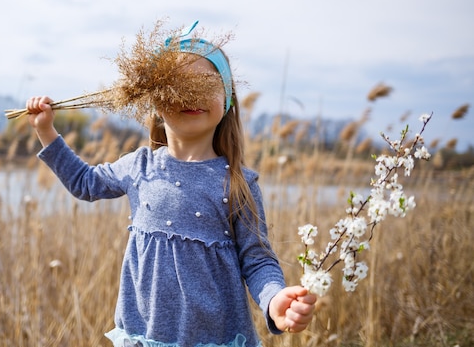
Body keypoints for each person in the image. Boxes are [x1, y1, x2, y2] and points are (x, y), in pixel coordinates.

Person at [25, 23, 316, 347]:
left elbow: (257, 259)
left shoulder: (237, 183)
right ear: (154, 100)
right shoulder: (139, 166)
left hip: (215, 340)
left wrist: (275, 301)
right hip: (144, 337)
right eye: (178, 86)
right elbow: (84, 183)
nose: (192, 96)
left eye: (206, 84)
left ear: (229, 97)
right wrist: (46, 132)